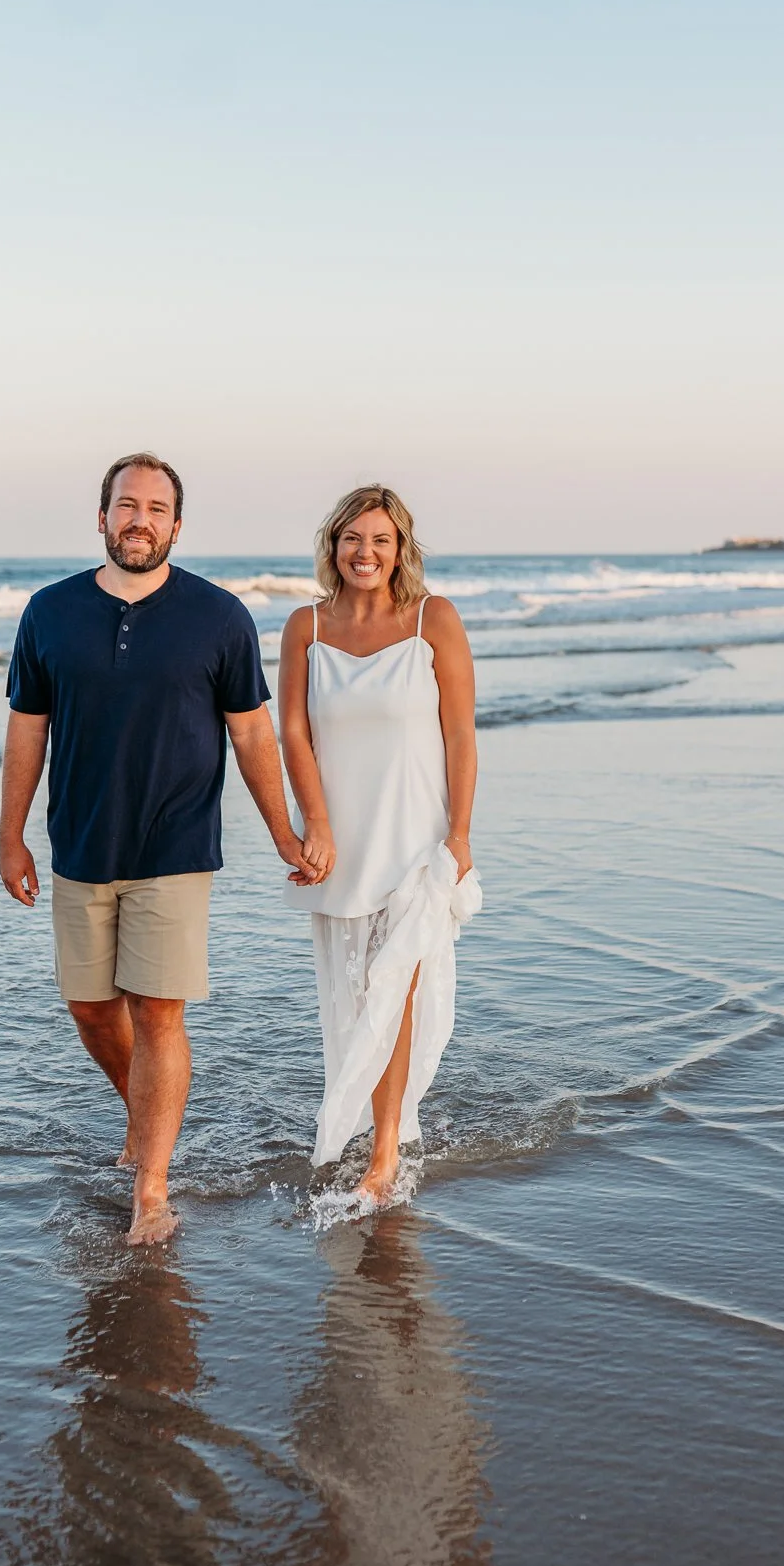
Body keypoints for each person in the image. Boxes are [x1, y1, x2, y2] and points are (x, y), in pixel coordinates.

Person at [0, 452, 317, 1245]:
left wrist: (284, 831)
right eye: (125, 504)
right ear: (100, 516)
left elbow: (250, 734)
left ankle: (151, 1184)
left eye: (155, 508)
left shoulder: (218, 616)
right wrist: (10, 834)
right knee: (90, 1009)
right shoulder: (49, 611)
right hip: (78, 843)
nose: (139, 519)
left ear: (177, 525)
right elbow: (25, 729)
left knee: (157, 1011)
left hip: (175, 844)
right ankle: (149, 1119)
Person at [278, 484, 481, 1204]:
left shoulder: (434, 619)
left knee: (392, 986)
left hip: (414, 838)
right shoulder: (305, 625)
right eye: (352, 539)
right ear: (332, 546)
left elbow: (460, 733)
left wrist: (457, 835)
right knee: (357, 994)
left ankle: (384, 1150)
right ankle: (378, 1128)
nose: (365, 553)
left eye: (380, 540)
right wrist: (315, 825)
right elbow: (292, 733)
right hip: (341, 840)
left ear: (401, 550)